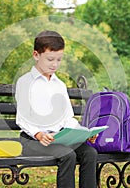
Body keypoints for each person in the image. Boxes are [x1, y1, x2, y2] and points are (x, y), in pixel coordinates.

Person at [15, 30, 98, 188]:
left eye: (59, 59)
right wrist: (39, 134)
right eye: (50, 59)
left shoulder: (59, 85)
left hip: (58, 139)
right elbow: (22, 118)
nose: (55, 64)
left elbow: (67, 118)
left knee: (90, 153)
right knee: (68, 155)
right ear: (36, 55)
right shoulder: (25, 82)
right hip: (32, 141)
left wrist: (84, 133)